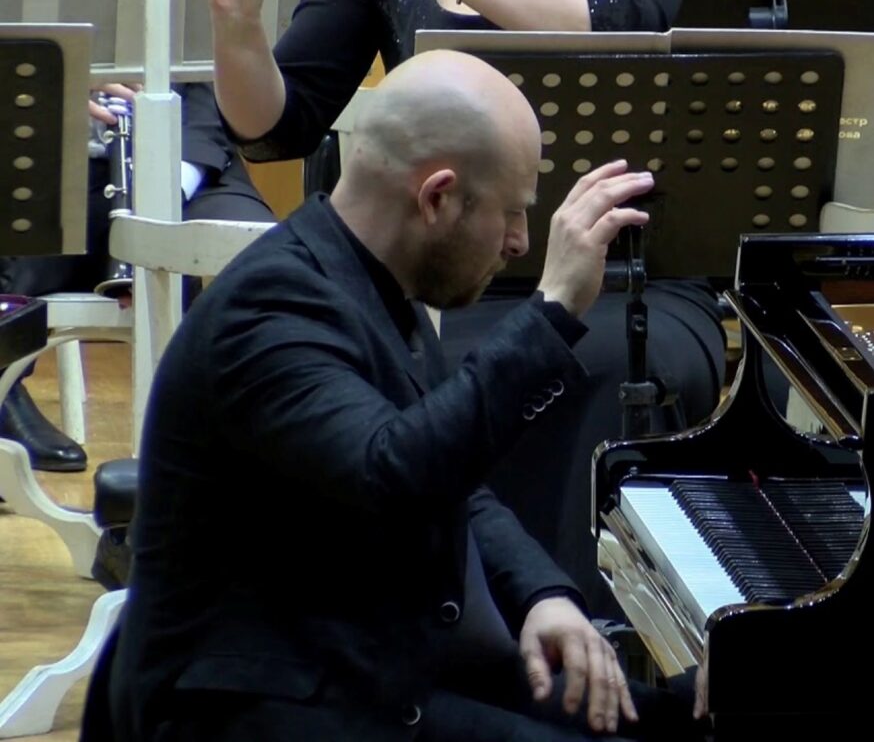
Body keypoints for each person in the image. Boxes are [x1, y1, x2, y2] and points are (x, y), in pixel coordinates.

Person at [107, 50, 707, 742]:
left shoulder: (373, 279)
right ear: (437, 197)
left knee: (672, 720)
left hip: (360, 663)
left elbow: (457, 485)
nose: (519, 243)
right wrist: (553, 310)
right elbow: (393, 474)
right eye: (512, 214)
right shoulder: (272, 309)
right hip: (251, 704)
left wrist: (540, 592)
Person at [206, 0, 723, 621]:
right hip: (448, 274)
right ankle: (447, 625)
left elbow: (632, 28)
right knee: (406, 370)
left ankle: (584, 626)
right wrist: (236, 26)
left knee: (612, 363)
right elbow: (278, 127)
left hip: (634, 273)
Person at [0, 82, 272, 474]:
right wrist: (40, 94)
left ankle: (249, 425)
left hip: (191, 160)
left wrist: (165, 192)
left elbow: (213, 83)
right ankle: (4, 387)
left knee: (270, 260)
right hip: (46, 166)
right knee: (20, 240)